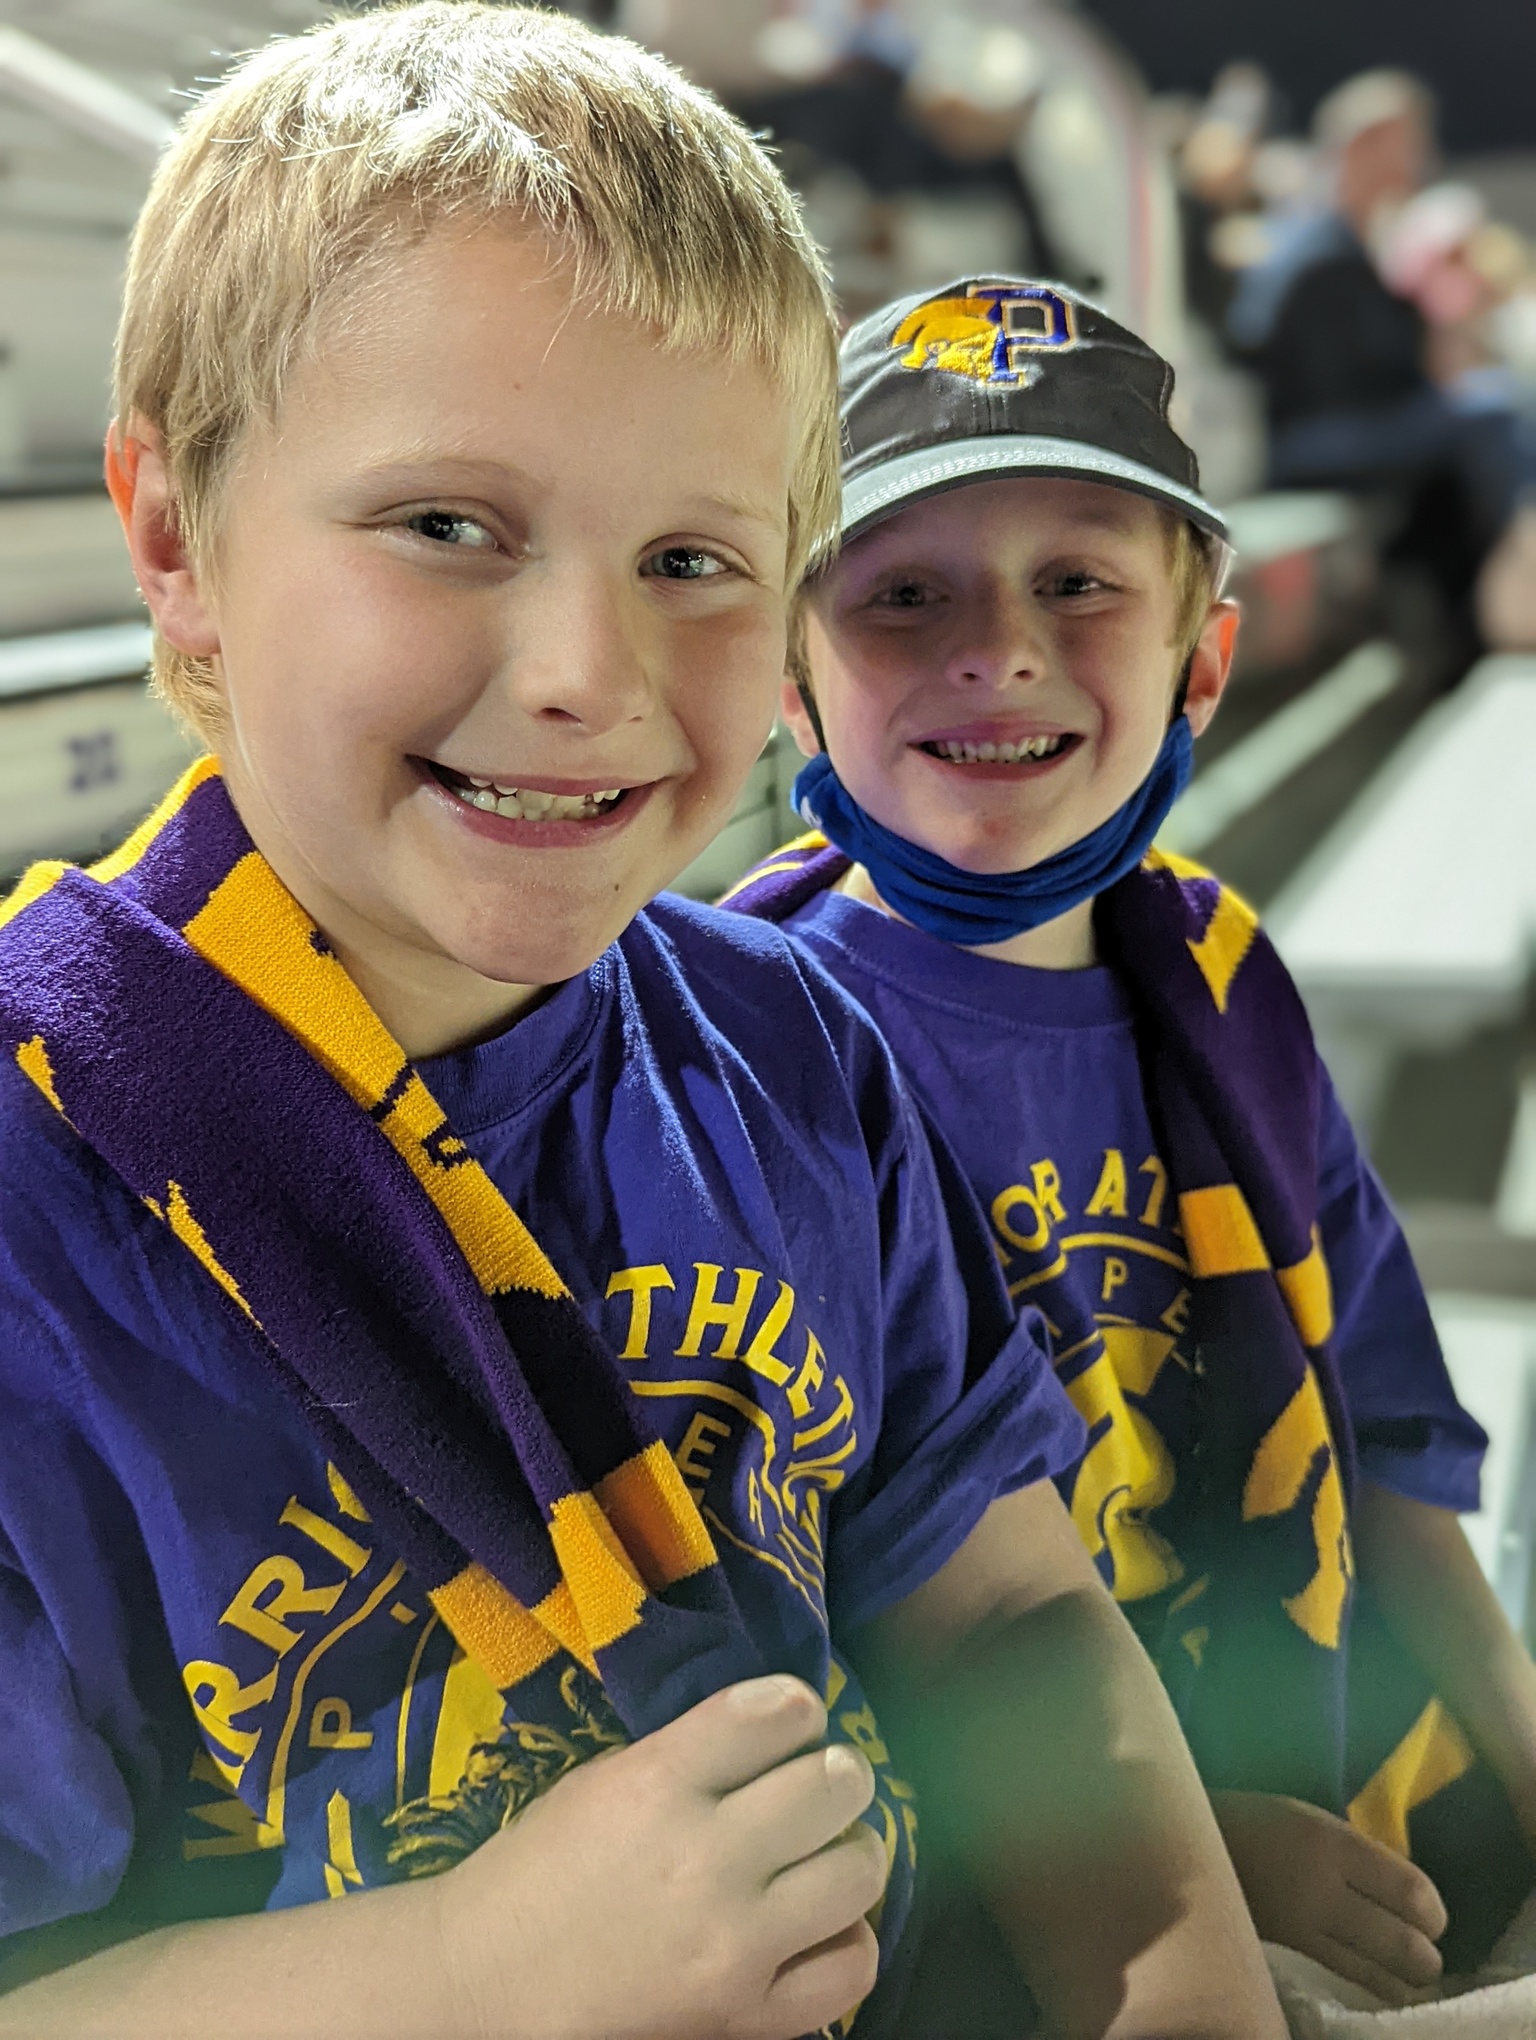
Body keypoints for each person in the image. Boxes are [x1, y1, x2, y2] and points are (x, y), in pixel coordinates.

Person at [0, 14, 1286, 2039]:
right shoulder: (36, 1200)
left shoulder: (797, 1052)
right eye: (450, 526)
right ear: (174, 541)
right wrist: (461, 1974)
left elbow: (1015, 1615)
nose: (592, 670)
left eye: (693, 559)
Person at [723, 274, 1536, 2003]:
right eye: (904, 592)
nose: (996, 647)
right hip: (1017, 1928)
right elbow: (767, 1672)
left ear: (1204, 659)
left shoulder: (1224, 975)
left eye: (1078, 581)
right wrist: (1188, 1851)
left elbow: (1386, 1449)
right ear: (790, 678)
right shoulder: (739, 1069)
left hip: (1362, 1798)